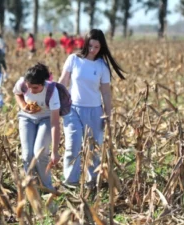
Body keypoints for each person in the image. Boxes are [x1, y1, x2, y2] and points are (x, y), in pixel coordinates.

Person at [58, 29, 126, 188]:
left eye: (96, 47)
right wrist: (56, 102)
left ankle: (92, 181)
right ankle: (70, 181)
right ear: (85, 44)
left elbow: (106, 93)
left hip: (95, 111)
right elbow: (62, 82)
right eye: (90, 46)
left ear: (101, 47)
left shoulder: (102, 66)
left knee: (94, 148)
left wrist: (108, 114)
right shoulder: (73, 59)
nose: (93, 50)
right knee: (72, 145)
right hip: (72, 109)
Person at [13, 63, 61, 192]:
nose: (31, 91)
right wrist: (23, 106)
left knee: (40, 153)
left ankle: (47, 188)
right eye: (29, 87)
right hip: (26, 118)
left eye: (35, 88)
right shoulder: (22, 83)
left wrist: (55, 151)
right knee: (27, 155)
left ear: (43, 83)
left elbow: (55, 122)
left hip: (46, 119)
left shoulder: (52, 91)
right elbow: (17, 93)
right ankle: (31, 186)